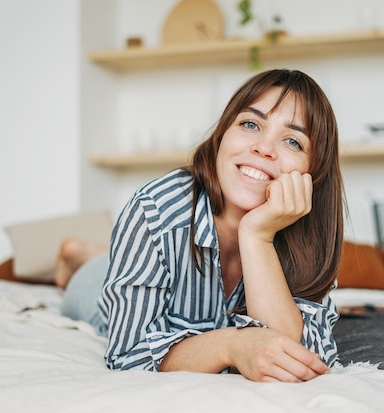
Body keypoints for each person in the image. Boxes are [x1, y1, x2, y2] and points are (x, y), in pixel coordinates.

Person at [60, 69, 345, 383]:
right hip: (93, 290)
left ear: (313, 171)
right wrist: (232, 345)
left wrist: (257, 236)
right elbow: (128, 354)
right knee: (91, 279)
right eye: (250, 124)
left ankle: (92, 253)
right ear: (222, 134)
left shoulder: (312, 235)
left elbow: (301, 356)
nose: (264, 148)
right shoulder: (155, 210)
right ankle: (78, 257)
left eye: (293, 141)